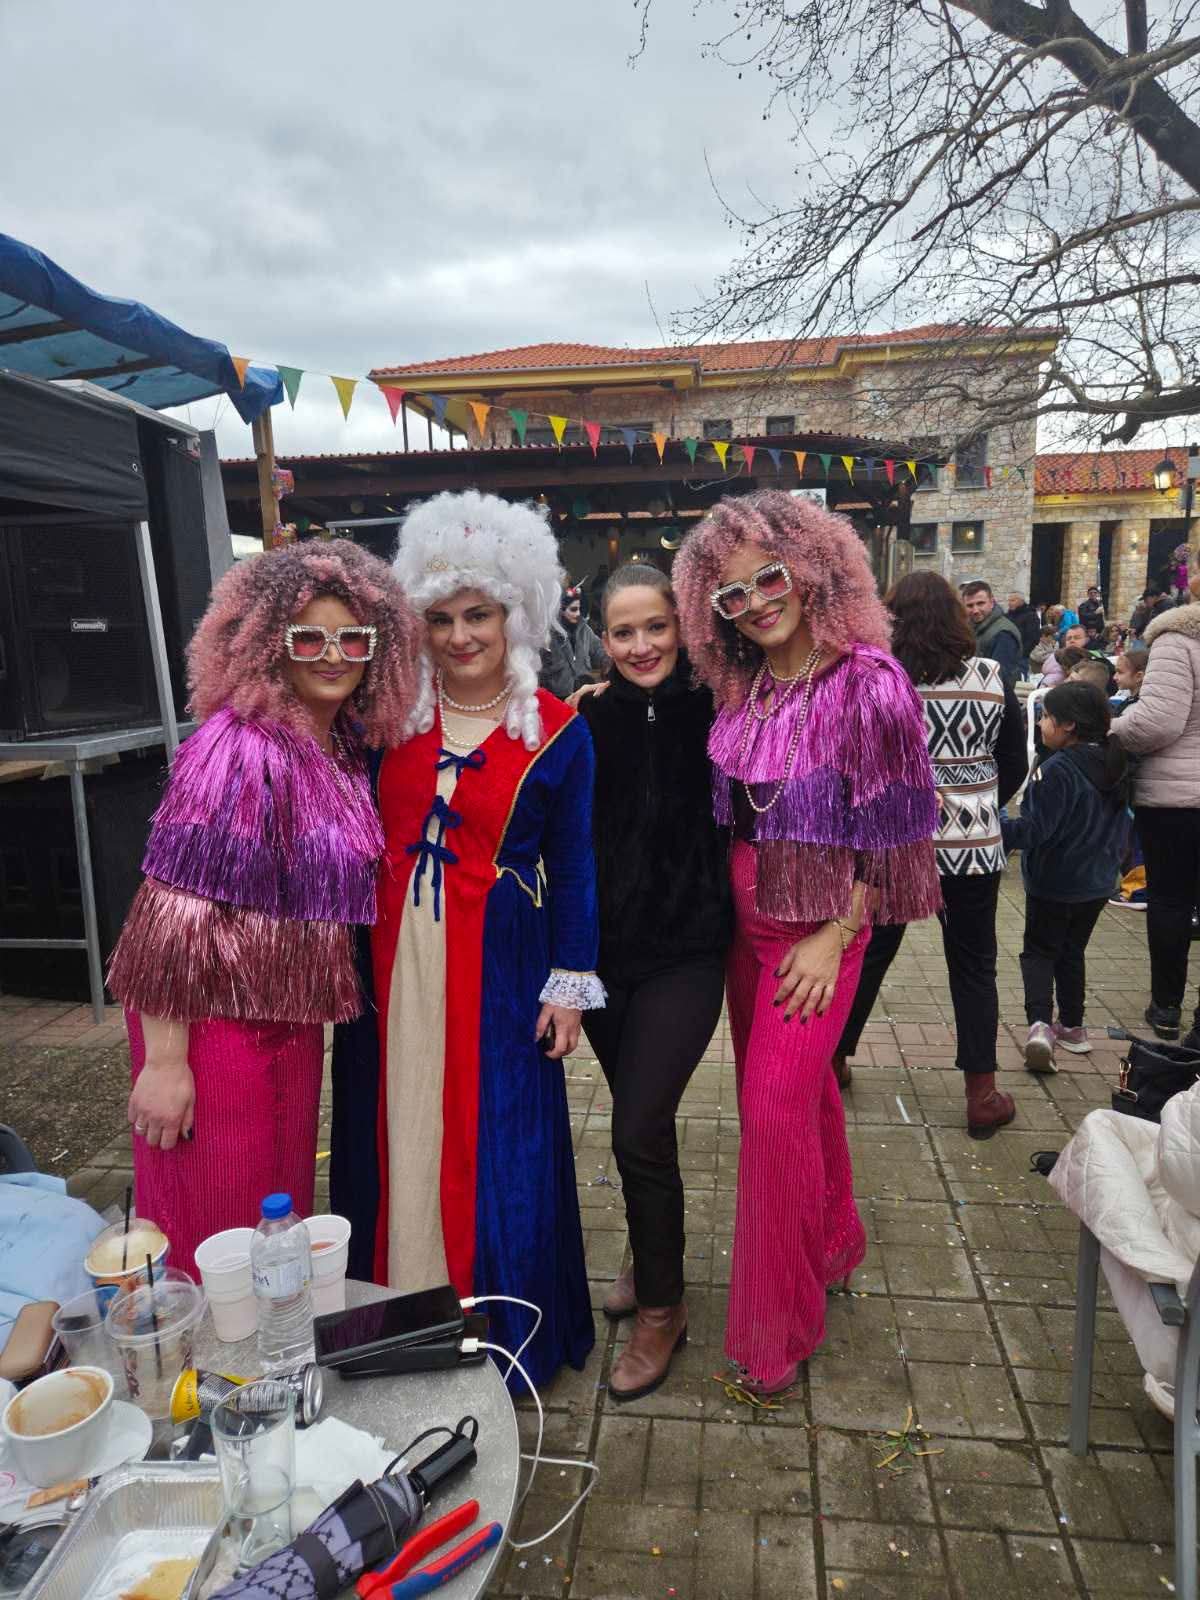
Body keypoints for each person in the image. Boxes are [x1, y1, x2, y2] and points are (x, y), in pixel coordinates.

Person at [330, 490, 603, 1388]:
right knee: (393, 1126)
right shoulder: (384, 719)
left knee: (502, 1145)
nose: (459, 636)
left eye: (478, 614)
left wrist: (570, 982)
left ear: (514, 614)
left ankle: (500, 1334)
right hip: (390, 964)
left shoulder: (560, 733)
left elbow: (576, 866)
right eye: (441, 617)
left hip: (502, 964)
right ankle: (397, 1320)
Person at [673, 490, 940, 1395]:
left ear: (813, 567)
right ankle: (832, 1240)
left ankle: (777, 1329)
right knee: (804, 1096)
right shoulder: (742, 688)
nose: (755, 603)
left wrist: (837, 933)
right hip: (745, 936)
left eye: (769, 578)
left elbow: (895, 835)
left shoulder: (869, 683)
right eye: (732, 594)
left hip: (821, 931)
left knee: (771, 1114)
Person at [107, 540, 422, 1277]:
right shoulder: (237, 749)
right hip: (212, 1025)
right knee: (215, 1227)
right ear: (266, 642)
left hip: (290, 1022)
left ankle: (268, 1348)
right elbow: (168, 918)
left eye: (353, 638)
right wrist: (166, 1063)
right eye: (309, 637)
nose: (333, 656)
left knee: (275, 1221)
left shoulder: (337, 746)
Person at [576, 563, 732, 1401]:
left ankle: (664, 1310)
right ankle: (649, 1248)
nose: (641, 646)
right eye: (623, 632)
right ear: (603, 639)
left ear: (683, 627)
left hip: (688, 952)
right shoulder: (585, 716)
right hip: (605, 960)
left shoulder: (722, 706)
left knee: (636, 1126)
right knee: (647, 1125)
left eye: (656, 627)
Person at [835, 572, 1027, 1135]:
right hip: (973, 846)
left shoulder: (879, 682)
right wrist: (978, 804)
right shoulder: (991, 677)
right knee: (974, 965)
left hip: (897, 842)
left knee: (870, 953)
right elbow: (1014, 762)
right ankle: (981, 1094)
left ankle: (834, 1059)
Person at [1002, 683, 1130, 1073]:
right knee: (1072, 951)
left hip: (1054, 881)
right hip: (1098, 882)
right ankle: (1073, 1026)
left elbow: (1035, 831)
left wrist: (993, 826)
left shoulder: (1057, 770)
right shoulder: (1115, 761)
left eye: (1045, 717)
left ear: (1069, 724)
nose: (1041, 724)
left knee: (1039, 951)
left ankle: (1040, 1025)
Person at [1109, 601, 1200, 1047]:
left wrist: (1110, 727)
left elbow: (1158, 723)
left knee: (1170, 900)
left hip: (1177, 796)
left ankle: (1166, 1005)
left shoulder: (1178, 639)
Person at [539, 584, 607, 698]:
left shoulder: (585, 630)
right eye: (573, 609)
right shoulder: (547, 636)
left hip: (584, 697)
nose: (578, 614)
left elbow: (600, 651)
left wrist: (608, 663)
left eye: (579, 609)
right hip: (557, 700)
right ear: (561, 610)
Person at [961, 581, 1022, 680]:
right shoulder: (971, 628)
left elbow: (1000, 676)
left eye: (980, 603)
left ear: (992, 603)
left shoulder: (1003, 633)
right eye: (970, 605)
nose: (975, 610)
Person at [1007, 593, 1042, 677]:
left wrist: (1022, 653)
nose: (1009, 603)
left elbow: (1033, 638)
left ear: (1021, 601)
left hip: (1021, 657)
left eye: (1013, 600)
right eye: (1009, 601)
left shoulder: (1030, 615)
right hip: (1007, 654)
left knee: (1019, 680)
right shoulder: (1008, 615)